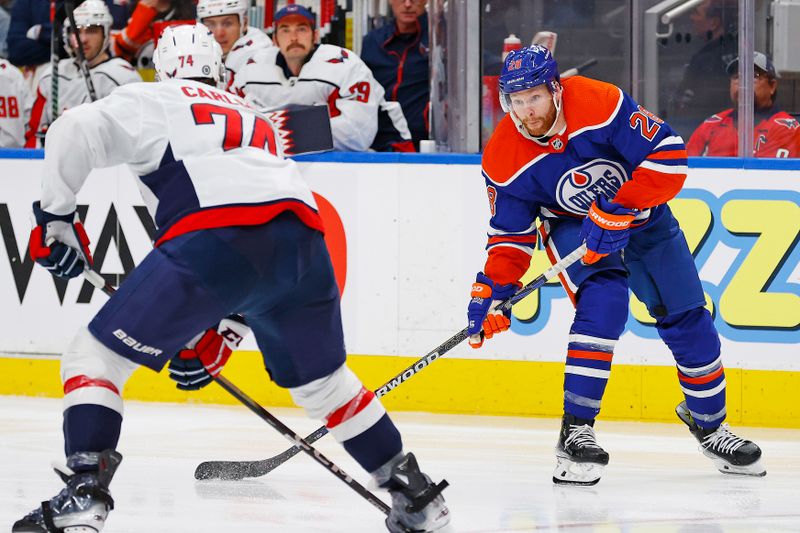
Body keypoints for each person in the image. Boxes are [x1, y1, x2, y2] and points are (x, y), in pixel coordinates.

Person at [14, 23, 450, 533]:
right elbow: (260, 232)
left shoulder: (149, 97)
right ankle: (417, 496)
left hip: (215, 238)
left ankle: (85, 489)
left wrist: (56, 219)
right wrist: (223, 329)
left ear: (163, 66)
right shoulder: (256, 115)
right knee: (326, 386)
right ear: (219, 71)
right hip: (304, 243)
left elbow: (72, 129)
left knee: (94, 357)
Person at [467, 45, 765, 486]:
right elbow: (510, 237)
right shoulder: (502, 157)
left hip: (643, 214)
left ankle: (710, 424)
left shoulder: (598, 102)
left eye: (535, 97)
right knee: (604, 305)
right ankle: (576, 431)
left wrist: (620, 206)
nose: (527, 110)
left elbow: (668, 155)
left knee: (687, 315)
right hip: (572, 228)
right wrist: (493, 289)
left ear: (555, 89)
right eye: (516, 100)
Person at [234, 4, 413, 152]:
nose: (294, 37)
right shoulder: (252, 70)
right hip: (306, 156)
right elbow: (232, 123)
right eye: (285, 30)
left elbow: (356, 136)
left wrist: (276, 129)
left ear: (315, 35)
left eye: (302, 29)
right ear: (274, 39)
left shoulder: (344, 64)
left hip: (387, 152)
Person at [24, 0, 141, 148]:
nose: (83, 39)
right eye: (77, 31)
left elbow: (133, 138)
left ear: (106, 33)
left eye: (91, 31)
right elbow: (33, 135)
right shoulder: (52, 75)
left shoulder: (123, 78)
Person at [687, 52, 800, 158]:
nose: (744, 83)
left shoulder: (787, 129)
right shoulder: (712, 125)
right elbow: (684, 167)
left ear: (772, 86)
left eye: (754, 76)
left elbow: (767, 176)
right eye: (737, 76)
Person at [361, 0, 429, 149]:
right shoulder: (372, 42)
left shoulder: (440, 38)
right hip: (380, 143)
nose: (407, 4)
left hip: (426, 142)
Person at [670, 0, 738, 137]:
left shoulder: (705, 60)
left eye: (697, 14)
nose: (692, 18)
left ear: (713, 23)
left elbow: (686, 105)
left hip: (705, 128)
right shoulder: (738, 48)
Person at [197, 0, 272, 93]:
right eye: (210, 25)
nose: (219, 33)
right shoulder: (197, 48)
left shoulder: (257, 54)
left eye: (227, 23)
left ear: (243, 23)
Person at [110, 0, 196, 65]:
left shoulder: (191, 10)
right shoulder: (127, 7)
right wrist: (144, 10)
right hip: (138, 78)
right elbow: (118, 50)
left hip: (175, 75)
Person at [0, 58, 32, 147]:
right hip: (17, 154)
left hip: (16, 153)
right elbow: (29, 116)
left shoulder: (14, 74)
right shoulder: (14, 73)